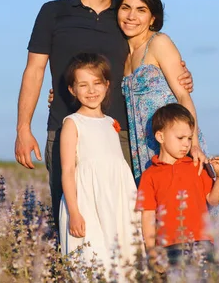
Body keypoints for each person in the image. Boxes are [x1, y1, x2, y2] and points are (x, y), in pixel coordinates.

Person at [14, 0, 194, 230]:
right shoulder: (53, 12)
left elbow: (153, 53)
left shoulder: (125, 16)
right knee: (70, 217)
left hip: (121, 134)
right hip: (63, 129)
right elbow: (34, 70)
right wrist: (23, 127)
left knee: (126, 224)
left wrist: (181, 74)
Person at [58, 53, 143, 281]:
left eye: (97, 83)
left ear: (107, 86)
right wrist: (74, 213)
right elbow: (67, 170)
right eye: (83, 85)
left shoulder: (110, 122)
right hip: (87, 202)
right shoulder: (72, 123)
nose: (91, 90)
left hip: (118, 198)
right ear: (72, 90)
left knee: (124, 255)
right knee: (94, 257)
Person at [118, 0, 211, 185]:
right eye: (126, 8)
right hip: (142, 147)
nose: (131, 16)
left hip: (175, 142)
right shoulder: (122, 53)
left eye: (141, 10)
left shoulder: (159, 42)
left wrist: (193, 143)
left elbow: (183, 96)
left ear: (153, 18)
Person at [137, 103, 219, 267]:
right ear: (160, 137)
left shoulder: (197, 166)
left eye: (189, 138)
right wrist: (151, 252)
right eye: (180, 138)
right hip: (168, 248)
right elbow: (148, 216)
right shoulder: (149, 175)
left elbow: (213, 200)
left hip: (202, 243)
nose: (186, 144)